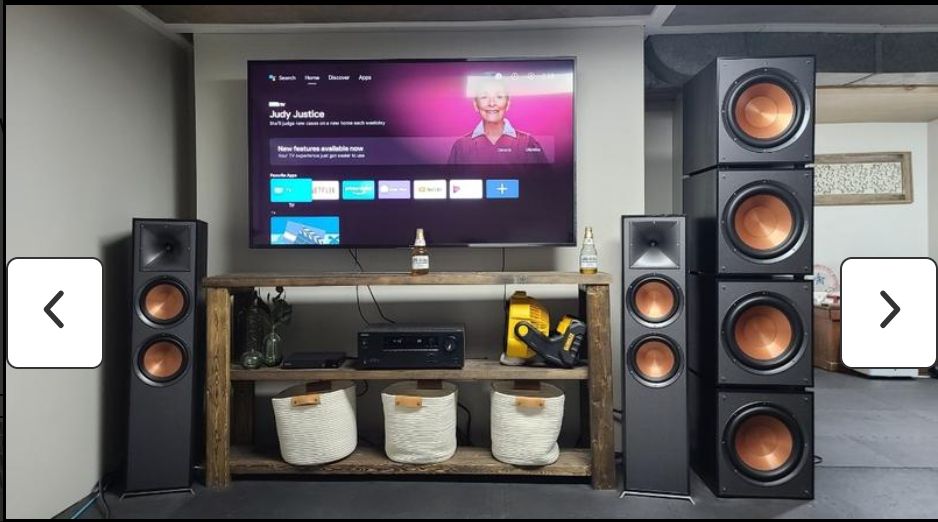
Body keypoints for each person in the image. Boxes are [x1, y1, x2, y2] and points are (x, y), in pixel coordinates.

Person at [447, 76, 548, 165]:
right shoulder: (461, 146)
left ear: (508, 104)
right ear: (475, 105)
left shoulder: (527, 142)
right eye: (484, 97)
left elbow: (542, 183)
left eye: (499, 96)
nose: (491, 103)